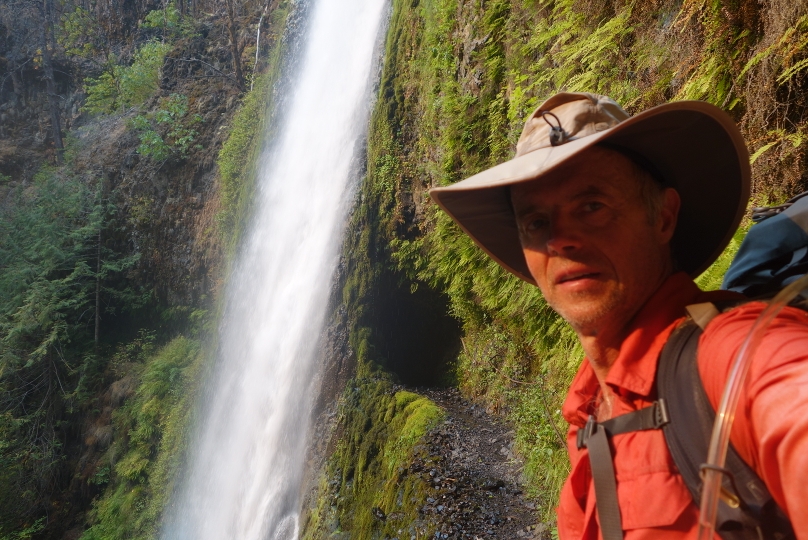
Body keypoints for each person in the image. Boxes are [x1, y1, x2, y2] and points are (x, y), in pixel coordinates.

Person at [429, 92, 808, 539]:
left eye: (592, 206)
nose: (559, 241)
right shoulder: (585, 416)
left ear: (664, 217)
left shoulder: (737, 355)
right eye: (536, 223)